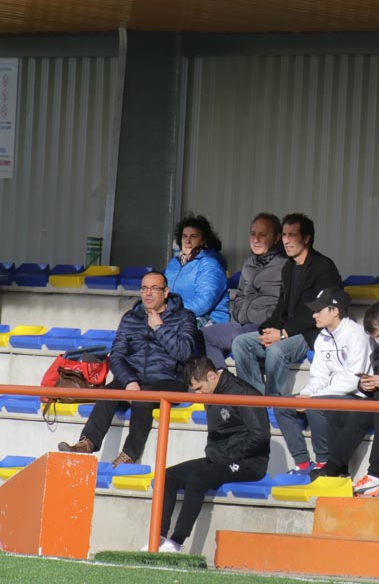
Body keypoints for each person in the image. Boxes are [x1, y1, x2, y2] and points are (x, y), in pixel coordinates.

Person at [58, 271, 199, 466]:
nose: (148, 293)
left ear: (165, 292)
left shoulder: (184, 317)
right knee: (108, 393)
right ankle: (87, 443)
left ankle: (129, 455)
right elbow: (116, 355)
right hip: (134, 379)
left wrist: (159, 328)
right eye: (144, 288)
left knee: (142, 400)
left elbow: (184, 353)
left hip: (169, 380)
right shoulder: (130, 318)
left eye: (154, 288)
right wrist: (129, 381)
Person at [152, 357, 271, 553]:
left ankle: (176, 542)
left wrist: (229, 454)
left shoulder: (243, 392)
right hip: (220, 458)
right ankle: (158, 538)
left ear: (211, 376)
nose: (198, 394)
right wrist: (218, 454)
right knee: (167, 476)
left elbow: (260, 435)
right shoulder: (211, 393)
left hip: (248, 462)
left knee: (198, 478)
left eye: (199, 388)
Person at [232, 213, 342, 397]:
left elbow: (319, 313)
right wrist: (267, 330)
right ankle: (253, 400)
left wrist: (283, 334)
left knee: (276, 350)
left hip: (311, 332)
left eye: (292, 235)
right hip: (287, 330)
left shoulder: (323, 267)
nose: (286, 240)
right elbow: (282, 307)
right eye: (284, 235)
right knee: (241, 343)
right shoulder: (289, 267)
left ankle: (273, 402)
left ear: (306, 239)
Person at [315, 303, 379, 495]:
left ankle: (373, 475)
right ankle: (336, 468)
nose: (378, 341)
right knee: (345, 412)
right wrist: (365, 384)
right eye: (374, 338)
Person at [274, 288, 371, 474]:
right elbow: (318, 376)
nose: (314, 315)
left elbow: (354, 380)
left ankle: (324, 462)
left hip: (358, 397)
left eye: (319, 310)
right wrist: (306, 394)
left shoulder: (357, 334)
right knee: (282, 406)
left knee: (315, 406)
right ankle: (303, 464)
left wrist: (314, 398)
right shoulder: (322, 337)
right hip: (329, 395)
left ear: (335, 311)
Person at [201, 213, 286, 369]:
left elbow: (286, 305)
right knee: (204, 335)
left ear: (276, 238)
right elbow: (240, 294)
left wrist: (262, 317)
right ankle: (222, 378)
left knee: (239, 337)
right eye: (253, 234)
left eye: (263, 235)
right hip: (243, 324)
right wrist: (240, 313)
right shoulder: (249, 262)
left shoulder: (286, 264)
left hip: (267, 327)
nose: (256, 239)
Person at [164, 214, 229, 327]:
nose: (187, 241)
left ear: (203, 240)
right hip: (175, 316)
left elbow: (203, 303)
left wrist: (169, 311)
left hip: (207, 322)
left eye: (193, 236)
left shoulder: (210, 264)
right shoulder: (174, 264)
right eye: (184, 236)